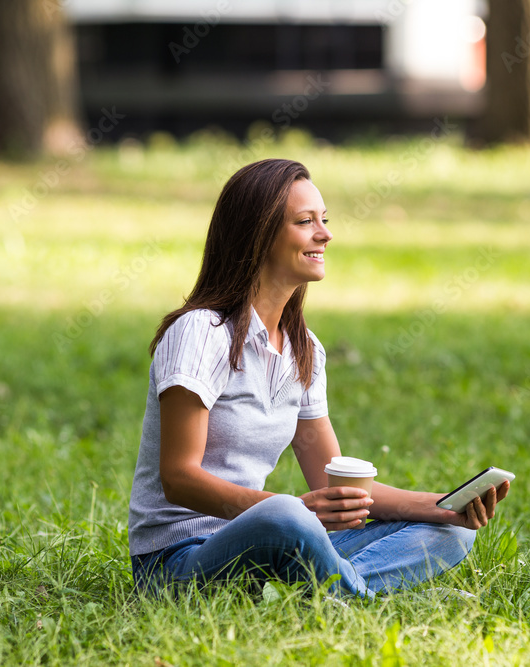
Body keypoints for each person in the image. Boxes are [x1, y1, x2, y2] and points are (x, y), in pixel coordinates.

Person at [128, 158, 509, 598]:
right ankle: (351, 595)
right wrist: (290, 511)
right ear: (258, 233)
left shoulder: (303, 348)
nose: (325, 234)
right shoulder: (200, 333)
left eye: (323, 220)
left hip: (270, 548)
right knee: (286, 515)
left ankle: (327, 589)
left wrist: (443, 507)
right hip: (176, 562)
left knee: (452, 534)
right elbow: (178, 477)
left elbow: (335, 487)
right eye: (305, 221)